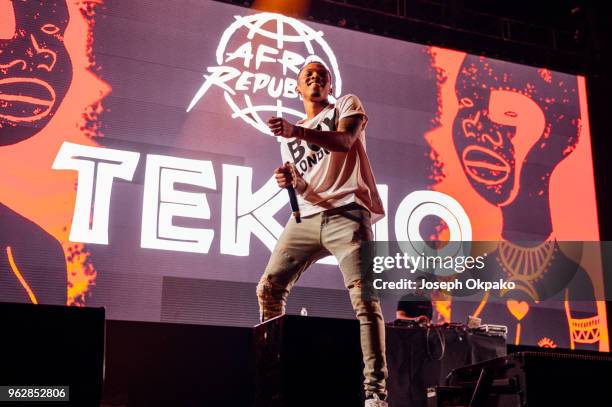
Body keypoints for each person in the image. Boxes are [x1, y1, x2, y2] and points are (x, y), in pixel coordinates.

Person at [257, 59, 388, 406]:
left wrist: (296, 132)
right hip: (309, 218)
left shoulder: (347, 105)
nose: (315, 78)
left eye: (322, 75)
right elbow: (308, 186)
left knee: (365, 301)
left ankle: (375, 394)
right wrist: (292, 182)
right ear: (298, 88)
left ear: (330, 85)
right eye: (307, 75)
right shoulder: (289, 137)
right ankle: (272, 382)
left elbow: (344, 141)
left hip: (347, 214)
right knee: (269, 288)